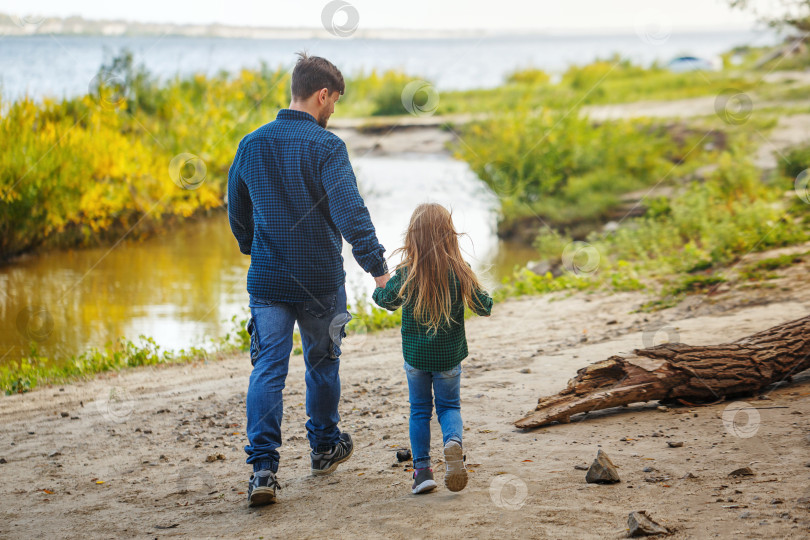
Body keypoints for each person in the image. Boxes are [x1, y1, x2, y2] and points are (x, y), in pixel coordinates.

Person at [227, 52, 390, 508]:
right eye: (335, 100)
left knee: (267, 369)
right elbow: (351, 214)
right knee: (323, 363)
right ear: (322, 95)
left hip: (269, 281)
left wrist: (252, 247)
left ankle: (263, 469)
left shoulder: (251, 144)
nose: (334, 110)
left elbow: (236, 210)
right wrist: (379, 271)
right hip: (320, 281)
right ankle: (323, 448)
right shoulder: (326, 147)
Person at [372, 203, 493, 495]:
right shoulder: (458, 269)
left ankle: (423, 471)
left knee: (419, 410)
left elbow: (387, 301)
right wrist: (478, 288)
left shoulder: (406, 272)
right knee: (449, 406)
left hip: (416, 358)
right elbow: (483, 307)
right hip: (449, 357)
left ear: (413, 237)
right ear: (449, 235)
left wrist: (378, 286)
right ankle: (453, 444)